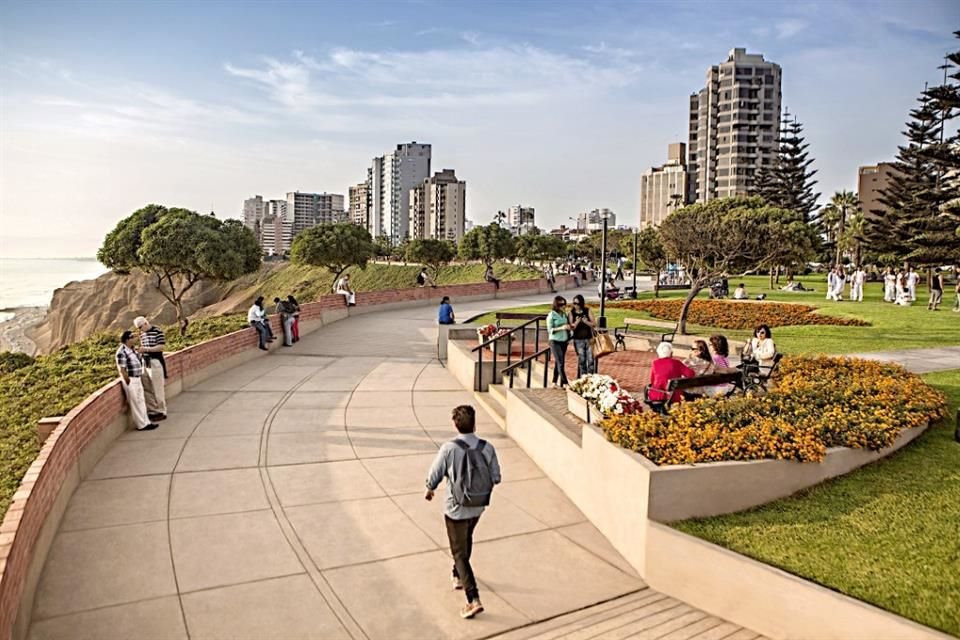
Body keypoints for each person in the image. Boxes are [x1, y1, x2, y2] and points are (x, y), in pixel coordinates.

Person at [424, 405, 501, 620]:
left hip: (456, 508)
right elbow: (496, 476)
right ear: (475, 424)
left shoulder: (449, 448)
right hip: (478, 506)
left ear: (455, 425)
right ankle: (457, 574)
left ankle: (472, 599)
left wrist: (430, 488)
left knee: (459, 552)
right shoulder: (487, 448)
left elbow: (435, 473)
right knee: (465, 540)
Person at [116, 330, 158, 431]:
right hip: (131, 379)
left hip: (138, 378)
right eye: (132, 337)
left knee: (141, 401)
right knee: (135, 402)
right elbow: (122, 369)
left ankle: (146, 422)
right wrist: (128, 382)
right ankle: (141, 425)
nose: (135, 338)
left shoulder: (132, 350)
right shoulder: (122, 352)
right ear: (127, 339)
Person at [133, 316, 167, 422]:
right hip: (145, 362)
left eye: (140, 327)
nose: (140, 329)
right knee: (147, 387)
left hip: (155, 361)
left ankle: (161, 411)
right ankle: (152, 410)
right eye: (138, 328)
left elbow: (161, 347)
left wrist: (147, 349)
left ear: (145, 323)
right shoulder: (142, 335)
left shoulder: (157, 331)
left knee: (157, 388)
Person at [648, 342, 696, 410]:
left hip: (657, 395)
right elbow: (690, 374)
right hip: (675, 396)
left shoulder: (655, 363)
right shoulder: (677, 363)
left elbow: (652, 380)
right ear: (671, 353)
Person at [547, 296, 571, 388]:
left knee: (558, 362)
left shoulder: (564, 314)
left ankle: (554, 382)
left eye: (564, 304)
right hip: (555, 341)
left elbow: (567, 325)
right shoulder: (551, 315)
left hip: (564, 341)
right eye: (561, 304)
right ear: (556, 305)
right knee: (561, 362)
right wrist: (562, 327)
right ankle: (565, 383)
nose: (563, 306)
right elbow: (550, 330)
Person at [568, 294, 595, 378]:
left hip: (589, 338)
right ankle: (583, 378)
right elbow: (571, 327)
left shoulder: (587, 310)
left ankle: (590, 378)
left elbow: (594, 324)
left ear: (582, 303)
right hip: (578, 340)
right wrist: (577, 322)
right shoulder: (571, 313)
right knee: (582, 360)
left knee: (591, 360)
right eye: (574, 303)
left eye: (578, 304)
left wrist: (586, 321)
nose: (576, 305)